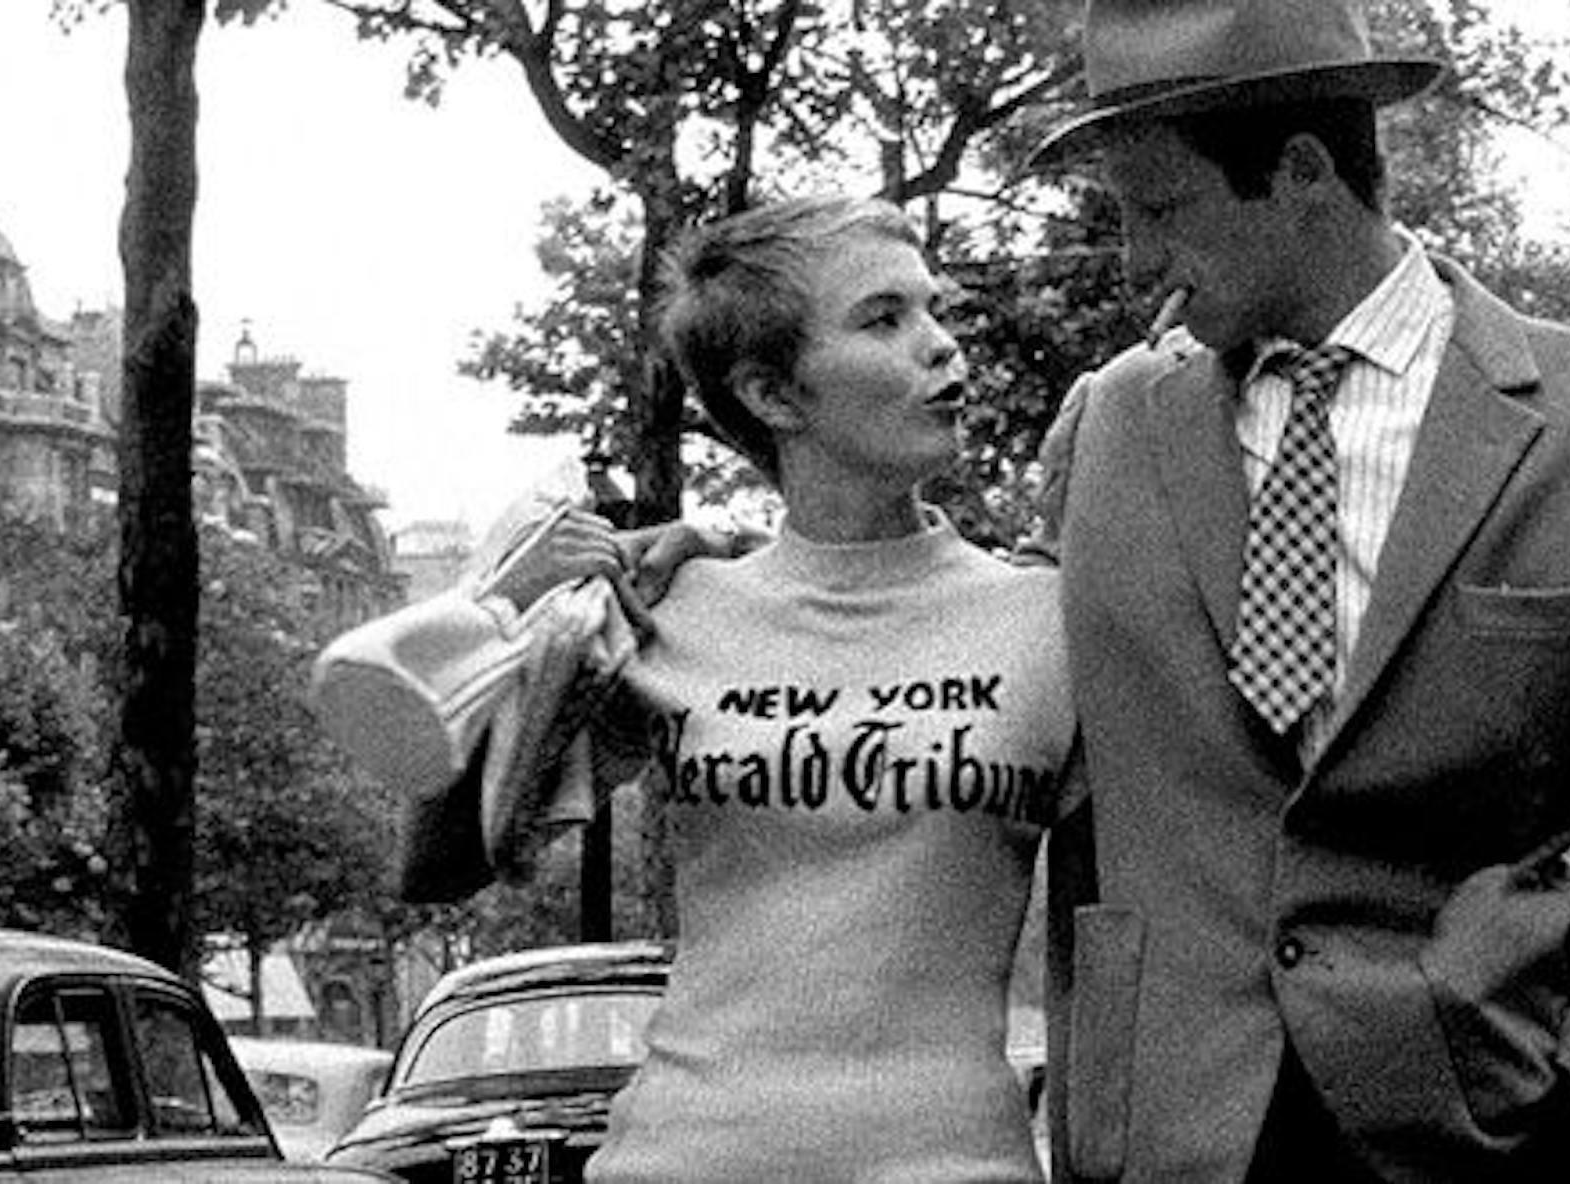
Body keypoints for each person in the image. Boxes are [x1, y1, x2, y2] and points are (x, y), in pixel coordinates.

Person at [1019, 0, 1570, 1179]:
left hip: (1483, 1113)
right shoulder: (1111, 423)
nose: (1135, 262)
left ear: (1304, 171)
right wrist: (700, 563)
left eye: (1161, 209)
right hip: (1168, 1129)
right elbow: (988, 652)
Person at [320, 196, 1074, 1182]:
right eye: (883, 318)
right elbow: (438, 863)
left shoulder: (1051, 621)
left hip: (953, 1162)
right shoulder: (669, 607)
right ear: (773, 393)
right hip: (678, 1155)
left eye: (934, 309)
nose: (942, 348)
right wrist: (517, 613)